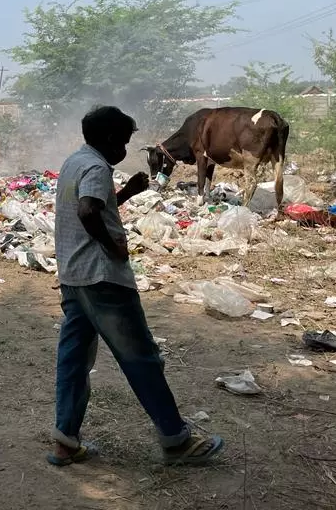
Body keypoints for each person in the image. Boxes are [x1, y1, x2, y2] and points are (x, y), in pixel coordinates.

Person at [47, 105, 224, 467]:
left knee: (74, 358)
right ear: (111, 139)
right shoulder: (97, 167)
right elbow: (87, 211)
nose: (125, 150)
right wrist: (113, 247)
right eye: (124, 143)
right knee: (141, 357)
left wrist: (125, 194)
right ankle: (176, 441)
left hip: (73, 276)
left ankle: (65, 439)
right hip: (102, 278)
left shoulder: (74, 162)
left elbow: (90, 205)